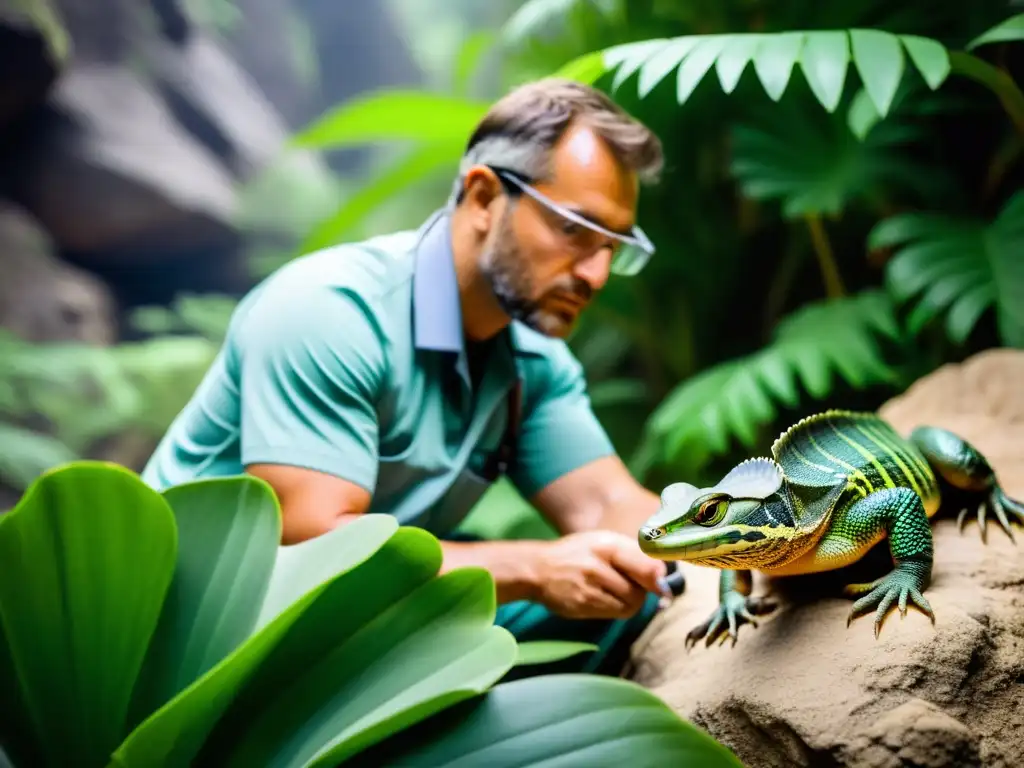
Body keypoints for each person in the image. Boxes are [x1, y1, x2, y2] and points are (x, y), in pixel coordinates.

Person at [141, 77, 679, 677]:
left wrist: (728, 543)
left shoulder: (532, 359)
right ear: (483, 198)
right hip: (201, 636)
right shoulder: (330, 311)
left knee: (627, 593)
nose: (597, 274)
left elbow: (607, 504)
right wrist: (534, 568)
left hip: (361, 624)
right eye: (575, 231)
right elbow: (315, 549)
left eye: (615, 246)